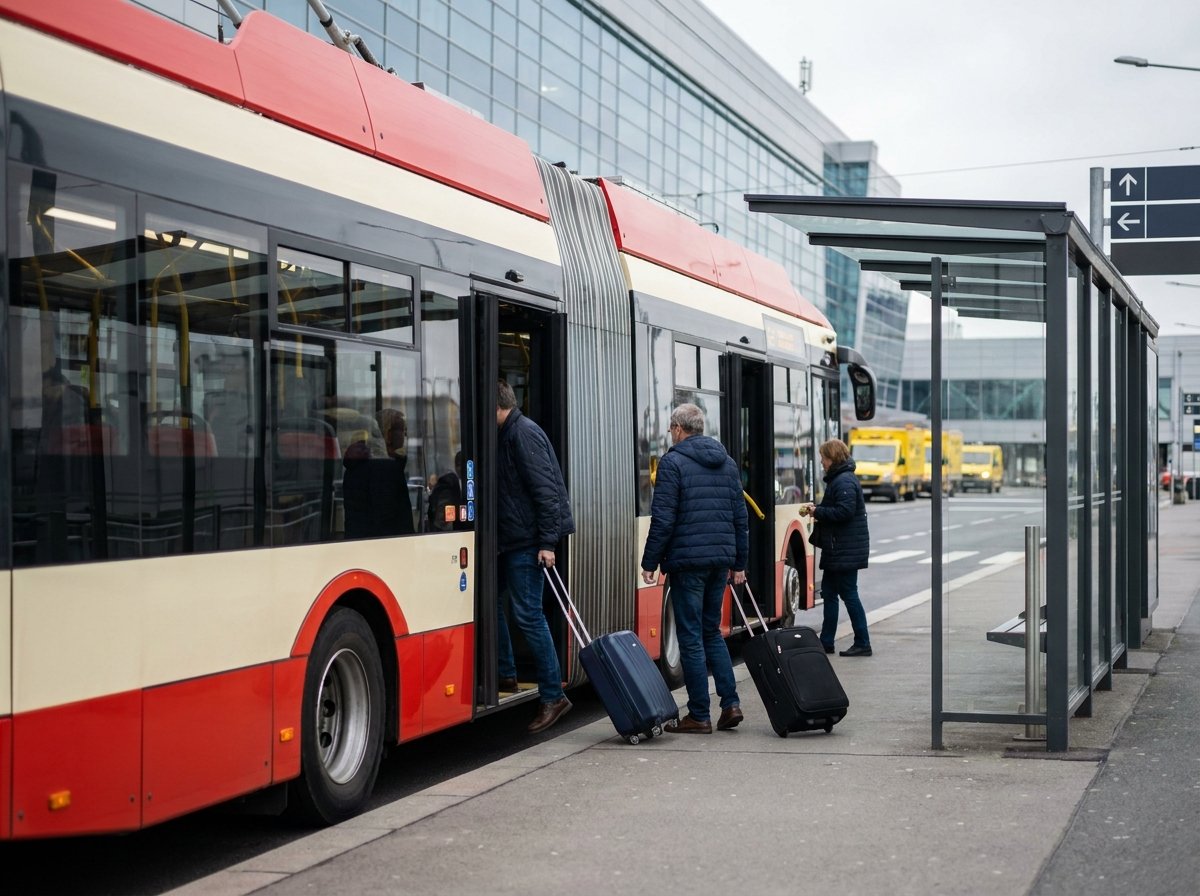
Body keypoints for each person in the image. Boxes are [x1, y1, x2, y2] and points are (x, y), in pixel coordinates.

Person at [640, 403, 747, 734]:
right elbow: (740, 518)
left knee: (689, 636)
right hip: (720, 561)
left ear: (677, 428)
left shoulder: (673, 463)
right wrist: (739, 563)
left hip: (688, 563)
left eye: (670, 428)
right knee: (711, 631)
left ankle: (699, 714)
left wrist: (649, 562)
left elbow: (664, 519)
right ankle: (730, 704)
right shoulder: (727, 463)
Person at [495, 379, 576, 733]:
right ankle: (506, 673)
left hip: (527, 542)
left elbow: (547, 493)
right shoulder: (509, 433)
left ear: (495, 406)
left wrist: (547, 543)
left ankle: (552, 696)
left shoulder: (522, 434)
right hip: (511, 540)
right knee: (492, 602)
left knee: (528, 615)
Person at [800, 438, 872, 657]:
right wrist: (818, 509)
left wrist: (817, 512)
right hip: (838, 549)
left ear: (832, 458)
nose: (822, 462)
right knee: (830, 593)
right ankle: (826, 641)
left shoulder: (844, 481)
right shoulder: (841, 479)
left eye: (823, 458)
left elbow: (844, 512)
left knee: (849, 594)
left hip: (844, 550)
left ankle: (863, 642)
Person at [342, 408, 415, 539]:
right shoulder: (385, 468)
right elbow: (391, 520)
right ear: (388, 434)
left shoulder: (360, 465)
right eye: (401, 430)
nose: (404, 436)